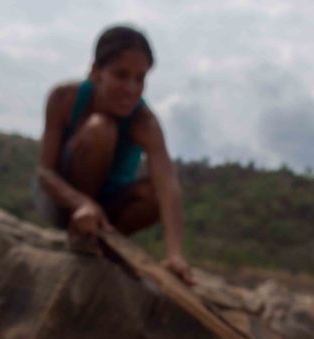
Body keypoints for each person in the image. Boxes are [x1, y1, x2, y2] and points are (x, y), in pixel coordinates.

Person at [34, 24, 194, 286]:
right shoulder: (63, 99)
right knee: (100, 129)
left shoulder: (145, 123)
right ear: (96, 72)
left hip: (108, 215)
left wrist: (174, 254)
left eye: (140, 79)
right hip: (62, 202)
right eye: (121, 75)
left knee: (155, 192)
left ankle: (102, 243)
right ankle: (81, 234)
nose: (131, 88)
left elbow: (168, 188)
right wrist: (81, 203)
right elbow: (44, 173)